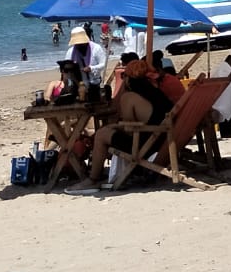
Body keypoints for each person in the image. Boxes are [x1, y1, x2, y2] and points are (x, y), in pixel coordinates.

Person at [74, 57, 174, 189]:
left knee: (102, 134)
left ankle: (93, 179)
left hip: (145, 146)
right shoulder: (156, 93)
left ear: (128, 78)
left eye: (124, 76)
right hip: (161, 142)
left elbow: (129, 129)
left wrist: (114, 126)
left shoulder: (129, 97)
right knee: (106, 131)